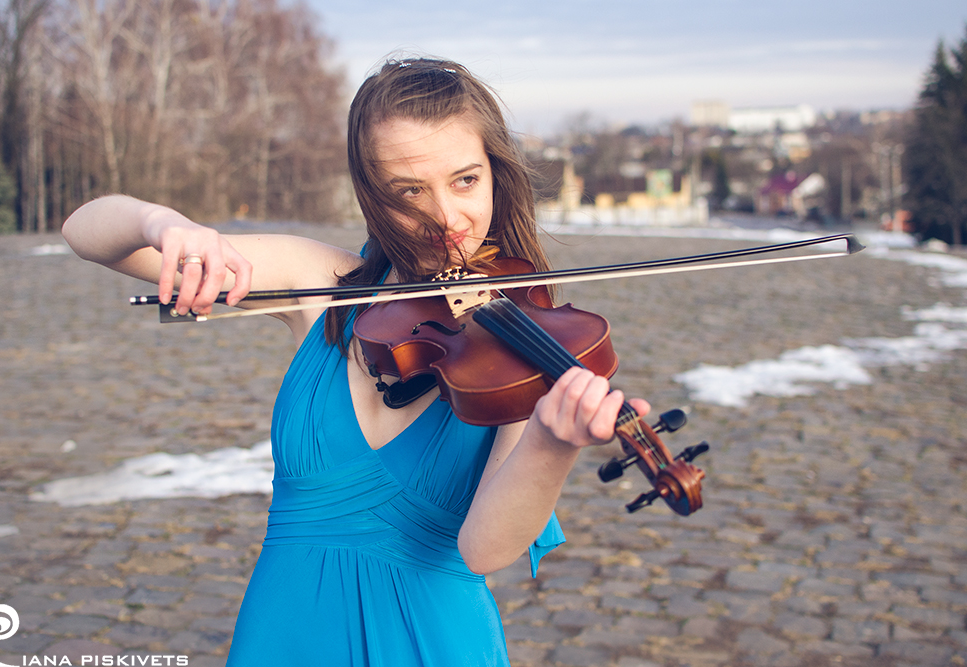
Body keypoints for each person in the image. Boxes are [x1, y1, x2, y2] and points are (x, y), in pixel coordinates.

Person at [63, 57, 649, 666]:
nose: (446, 219)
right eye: (409, 191)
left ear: (495, 175)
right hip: (284, 635)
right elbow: (85, 233)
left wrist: (551, 442)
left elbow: (486, 549)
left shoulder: (523, 337)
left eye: (466, 181)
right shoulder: (322, 284)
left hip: (431, 643)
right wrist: (165, 224)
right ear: (370, 192)